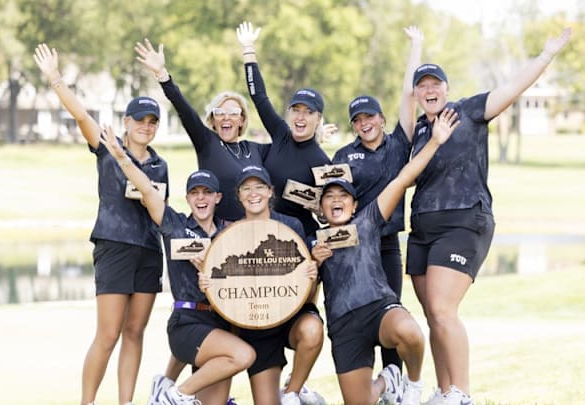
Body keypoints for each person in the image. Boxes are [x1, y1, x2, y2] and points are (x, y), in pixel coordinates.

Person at [406, 27, 572, 405]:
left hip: (464, 221)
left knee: (444, 308)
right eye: (422, 86)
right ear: (416, 94)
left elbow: (513, 88)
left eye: (436, 84)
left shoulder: (468, 111)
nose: (429, 90)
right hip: (422, 229)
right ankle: (444, 390)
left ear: (446, 89)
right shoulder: (416, 129)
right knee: (433, 314)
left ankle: (461, 393)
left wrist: (545, 55)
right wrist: (415, 47)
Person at [34, 44, 169, 405]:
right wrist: (55, 79)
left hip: (149, 252)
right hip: (114, 246)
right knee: (108, 334)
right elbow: (80, 116)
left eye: (152, 121)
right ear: (125, 122)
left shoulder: (160, 166)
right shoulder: (107, 147)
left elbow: (160, 212)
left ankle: (126, 402)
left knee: (135, 332)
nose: (145, 126)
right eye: (139, 120)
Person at [311, 108, 459, 405]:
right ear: (320, 208)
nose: (336, 200)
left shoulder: (368, 220)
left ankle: (411, 385)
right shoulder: (312, 241)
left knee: (410, 333)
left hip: (378, 308)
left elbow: (403, 178)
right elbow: (302, 294)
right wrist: (314, 263)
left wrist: (435, 141)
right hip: (342, 325)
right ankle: (385, 382)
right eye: (329, 197)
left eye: (343, 196)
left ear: (354, 205)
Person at [100, 126, 255, 405]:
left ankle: (168, 387)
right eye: (194, 193)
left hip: (221, 325)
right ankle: (175, 394)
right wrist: (121, 156)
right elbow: (147, 189)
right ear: (188, 198)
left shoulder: (231, 233)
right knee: (243, 356)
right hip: (188, 324)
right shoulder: (176, 226)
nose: (201, 198)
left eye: (207, 193)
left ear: (218, 198)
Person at [330, 25, 424, 371]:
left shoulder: (399, 143)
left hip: (385, 243)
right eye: (357, 120)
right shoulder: (343, 154)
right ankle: (361, 375)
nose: (364, 123)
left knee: (390, 308)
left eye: (369, 117)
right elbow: (330, 199)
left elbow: (409, 94)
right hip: (350, 244)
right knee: (353, 312)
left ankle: (394, 381)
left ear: (382, 119)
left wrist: (417, 45)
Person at [201, 165, 325, 405]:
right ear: (238, 195)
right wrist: (207, 282)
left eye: (259, 187)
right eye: (246, 188)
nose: (253, 193)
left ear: (270, 192)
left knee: (312, 329)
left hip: (291, 319)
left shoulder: (292, 226)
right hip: (253, 329)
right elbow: (220, 295)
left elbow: (306, 290)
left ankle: (291, 393)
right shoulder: (228, 234)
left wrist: (312, 272)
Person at [135, 38, 268, 221]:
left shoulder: (256, 150)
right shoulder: (208, 143)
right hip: (218, 232)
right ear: (213, 120)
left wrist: (315, 135)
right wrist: (162, 74)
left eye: (233, 112)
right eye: (220, 112)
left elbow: (286, 149)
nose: (226, 117)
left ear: (242, 119)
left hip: (253, 230)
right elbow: (184, 110)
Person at [236, 21, 332, 236]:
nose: (300, 117)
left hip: (300, 238)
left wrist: (319, 209)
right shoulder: (281, 134)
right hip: (265, 232)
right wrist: (249, 49)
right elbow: (258, 96)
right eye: (296, 110)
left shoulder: (322, 163)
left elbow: (330, 213)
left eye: (308, 112)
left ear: (318, 119)